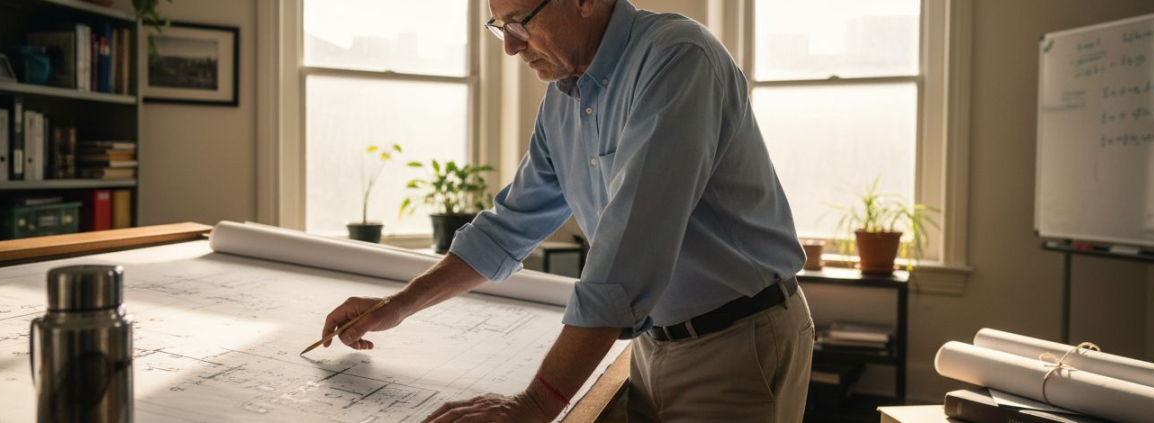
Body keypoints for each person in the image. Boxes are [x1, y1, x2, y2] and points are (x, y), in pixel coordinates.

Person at [320, 0, 815, 421]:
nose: (511, 45)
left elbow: (626, 259)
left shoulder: (677, 61)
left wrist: (533, 405)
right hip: (648, 345)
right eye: (500, 28)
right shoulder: (562, 102)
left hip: (736, 342)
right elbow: (504, 232)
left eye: (521, 21)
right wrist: (395, 307)